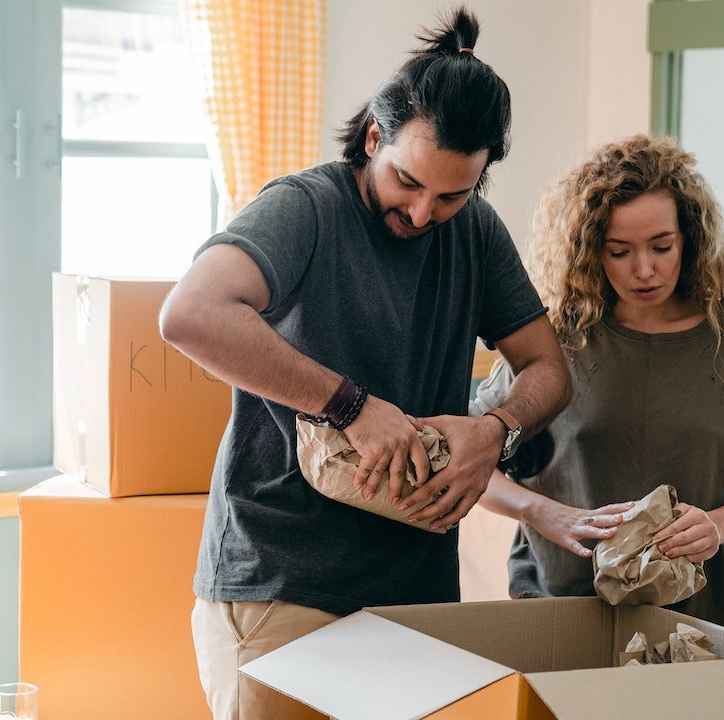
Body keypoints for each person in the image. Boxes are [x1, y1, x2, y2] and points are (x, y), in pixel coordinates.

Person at [158, 8, 570, 718]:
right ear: (375, 137)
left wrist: (496, 429)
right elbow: (190, 314)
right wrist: (350, 406)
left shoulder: (473, 232)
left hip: (415, 598)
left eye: (451, 194)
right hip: (281, 587)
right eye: (407, 182)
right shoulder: (304, 209)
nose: (420, 213)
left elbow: (550, 372)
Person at [473, 135, 724, 639]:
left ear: (689, 239)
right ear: (592, 251)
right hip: (564, 612)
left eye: (661, 246)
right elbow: (473, 459)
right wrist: (543, 512)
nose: (645, 270)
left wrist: (717, 525)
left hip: (701, 618)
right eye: (620, 251)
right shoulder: (556, 344)